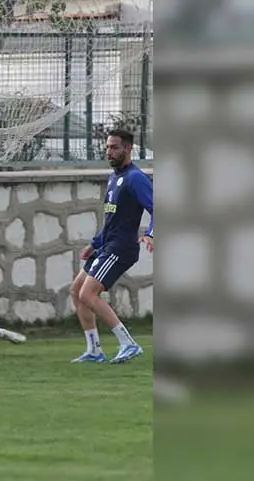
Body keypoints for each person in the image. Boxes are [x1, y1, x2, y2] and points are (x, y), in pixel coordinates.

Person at [69, 129, 154, 364]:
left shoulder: (135, 178)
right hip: (106, 245)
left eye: (114, 147)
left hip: (121, 248)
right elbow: (111, 219)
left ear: (127, 149)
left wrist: (151, 234)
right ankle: (94, 350)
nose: (109, 151)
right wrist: (93, 244)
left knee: (88, 293)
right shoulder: (114, 177)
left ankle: (128, 343)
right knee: (77, 291)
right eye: (107, 147)